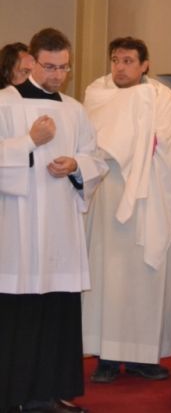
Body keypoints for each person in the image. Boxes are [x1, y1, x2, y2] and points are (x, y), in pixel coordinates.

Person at [1, 28, 107, 413]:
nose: (57, 75)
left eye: (64, 67)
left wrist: (76, 165)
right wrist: (29, 141)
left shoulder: (74, 109)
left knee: (58, 312)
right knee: (20, 315)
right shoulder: (5, 103)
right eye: (49, 66)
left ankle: (51, 393)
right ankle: (13, 397)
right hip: (18, 230)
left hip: (61, 229)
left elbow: (97, 159)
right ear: (31, 61)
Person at [82, 36, 171, 384]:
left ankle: (144, 356)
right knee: (107, 278)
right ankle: (107, 357)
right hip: (108, 194)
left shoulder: (161, 97)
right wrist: (128, 143)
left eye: (128, 61)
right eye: (116, 60)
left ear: (145, 65)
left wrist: (143, 147)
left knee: (145, 279)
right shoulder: (96, 93)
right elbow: (88, 143)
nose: (120, 67)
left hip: (148, 197)